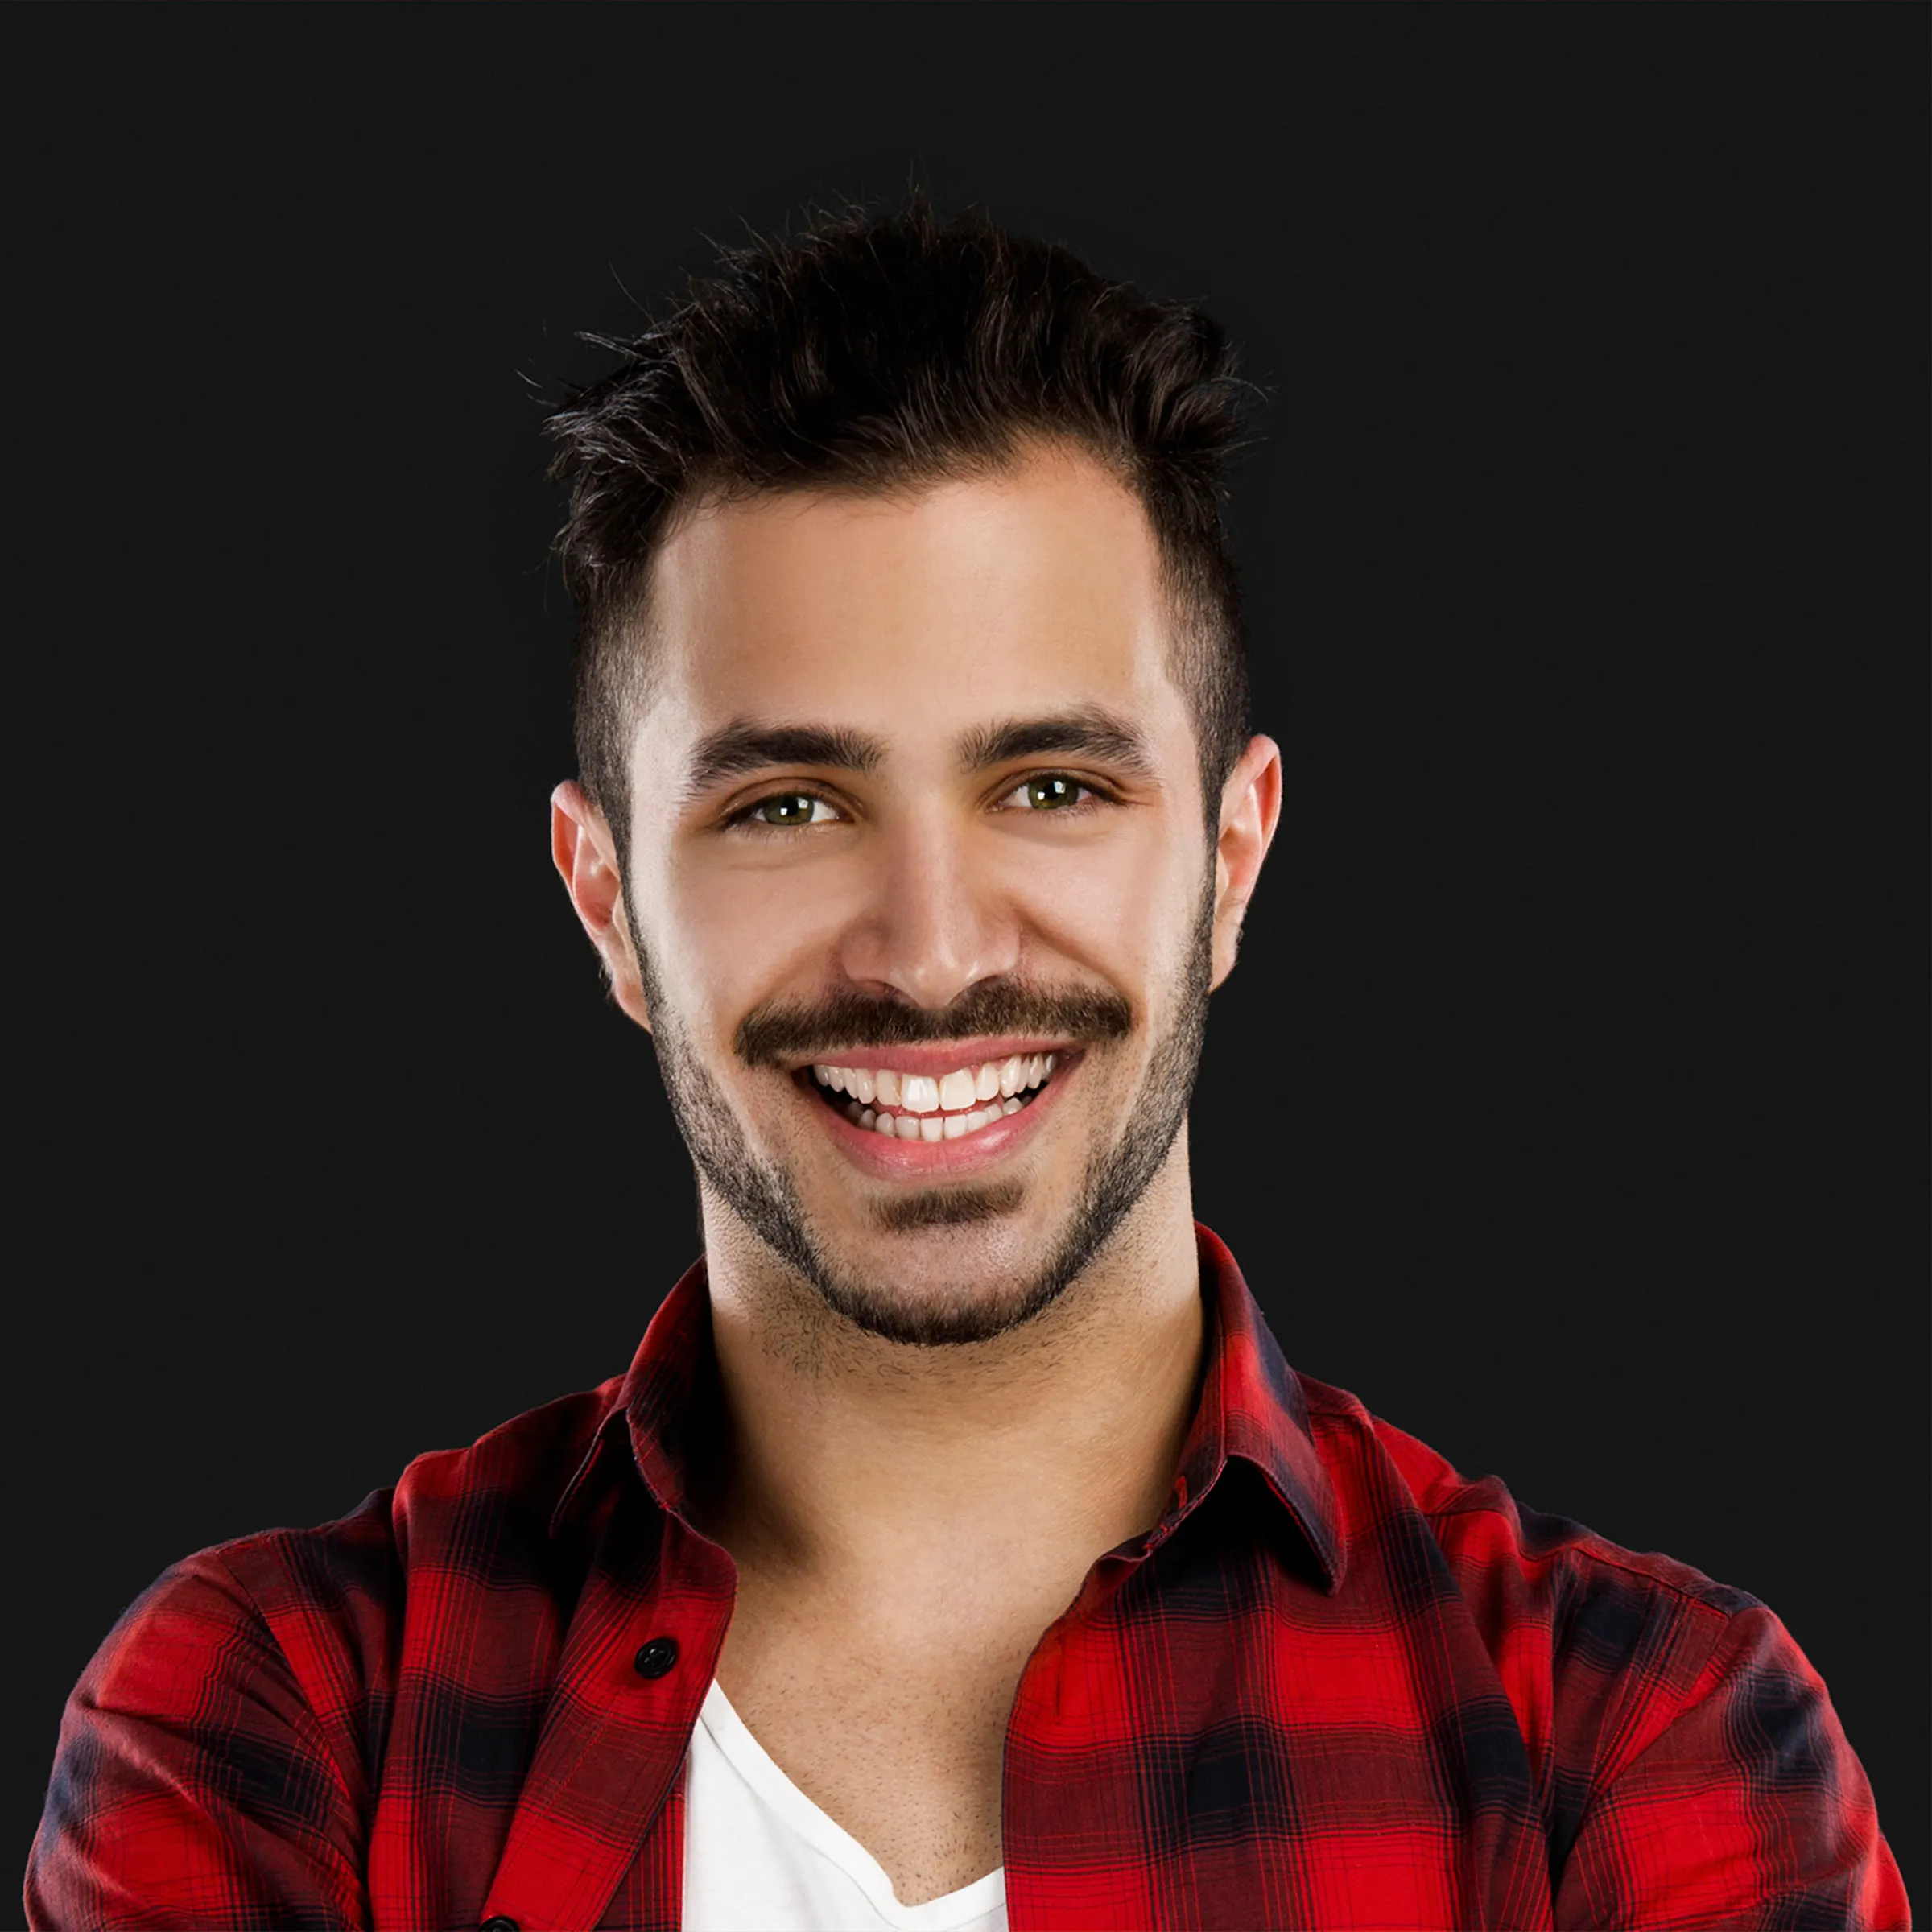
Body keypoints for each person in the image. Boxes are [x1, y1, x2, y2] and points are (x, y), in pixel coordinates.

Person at [26, 196, 1908, 1932]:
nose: (930, 953)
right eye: (787, 804)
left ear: (1232, 859)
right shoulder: (283, 1718)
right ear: (606, 903)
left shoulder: (1639, 1739)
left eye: (1053, 787)